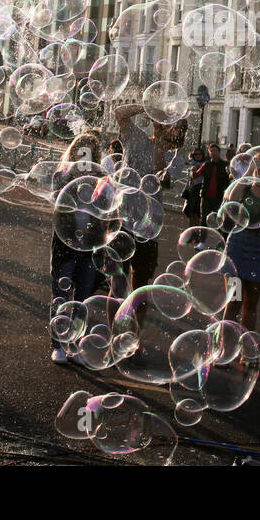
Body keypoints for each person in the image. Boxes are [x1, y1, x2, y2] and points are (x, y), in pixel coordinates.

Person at [50, 133, 104, 364]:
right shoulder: (62, 176)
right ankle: (57, 345)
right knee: (61, 297)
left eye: (90, 151)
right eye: (81, 150)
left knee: (82, 299)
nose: (85, 155)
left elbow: (107, 209)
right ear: (74, 152)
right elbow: (57, 203)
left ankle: (74, 344)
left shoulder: (101, 178)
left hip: (90, 245)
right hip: (66, 243)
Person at [221, 160, 260, 331]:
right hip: (238, 246)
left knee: (250, 304)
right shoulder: (245, 188)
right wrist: (249, 171)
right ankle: (225, 347)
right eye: (258, 165)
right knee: (234, 301)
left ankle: (245, 351)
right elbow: (230, 198)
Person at [113, 103, 163, 288]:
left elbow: (159, 169)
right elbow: (119, 112)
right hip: (122, 216)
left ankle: (135, 316)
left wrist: (159, 133)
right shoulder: (135, 138)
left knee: (140, 286)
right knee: (117, 282)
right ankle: (115, 317)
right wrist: (147, 107)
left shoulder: (174, 156)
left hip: (149, 226)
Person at [197, 143, 231, 225]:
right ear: (209, 153)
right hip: (206, 196)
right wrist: (192, 171)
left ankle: (216, 236)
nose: (213, 152)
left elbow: (230, 176)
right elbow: (196, 175)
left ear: (219, 152)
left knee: (219, 219)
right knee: (204, 219)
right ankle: (203, 236)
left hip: (220, 196)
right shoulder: (206, 164)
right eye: (211, 151)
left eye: (215, 150)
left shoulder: (225, 165)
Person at [183, 146, 206, 226]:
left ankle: (196, 232)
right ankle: (191, 230)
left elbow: (195, 176)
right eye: (196, 154)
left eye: (200, 154)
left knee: (197, 213)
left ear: (203, 155)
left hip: (199, 189)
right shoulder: (192, 164)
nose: (198, 155)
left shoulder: (204, 165)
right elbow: (190, 179)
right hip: (191, 189)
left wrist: (195, 170)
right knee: (190, 213)